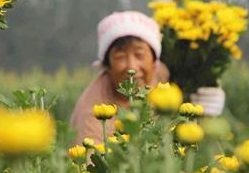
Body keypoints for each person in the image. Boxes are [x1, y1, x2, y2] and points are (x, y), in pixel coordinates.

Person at [69, 11, 225, 144]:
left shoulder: (163, 75)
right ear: (107, 65)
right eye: (120, 56)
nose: (132, 66)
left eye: (139, 54)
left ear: (155, 61)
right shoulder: (93, 114)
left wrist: (204, 112)